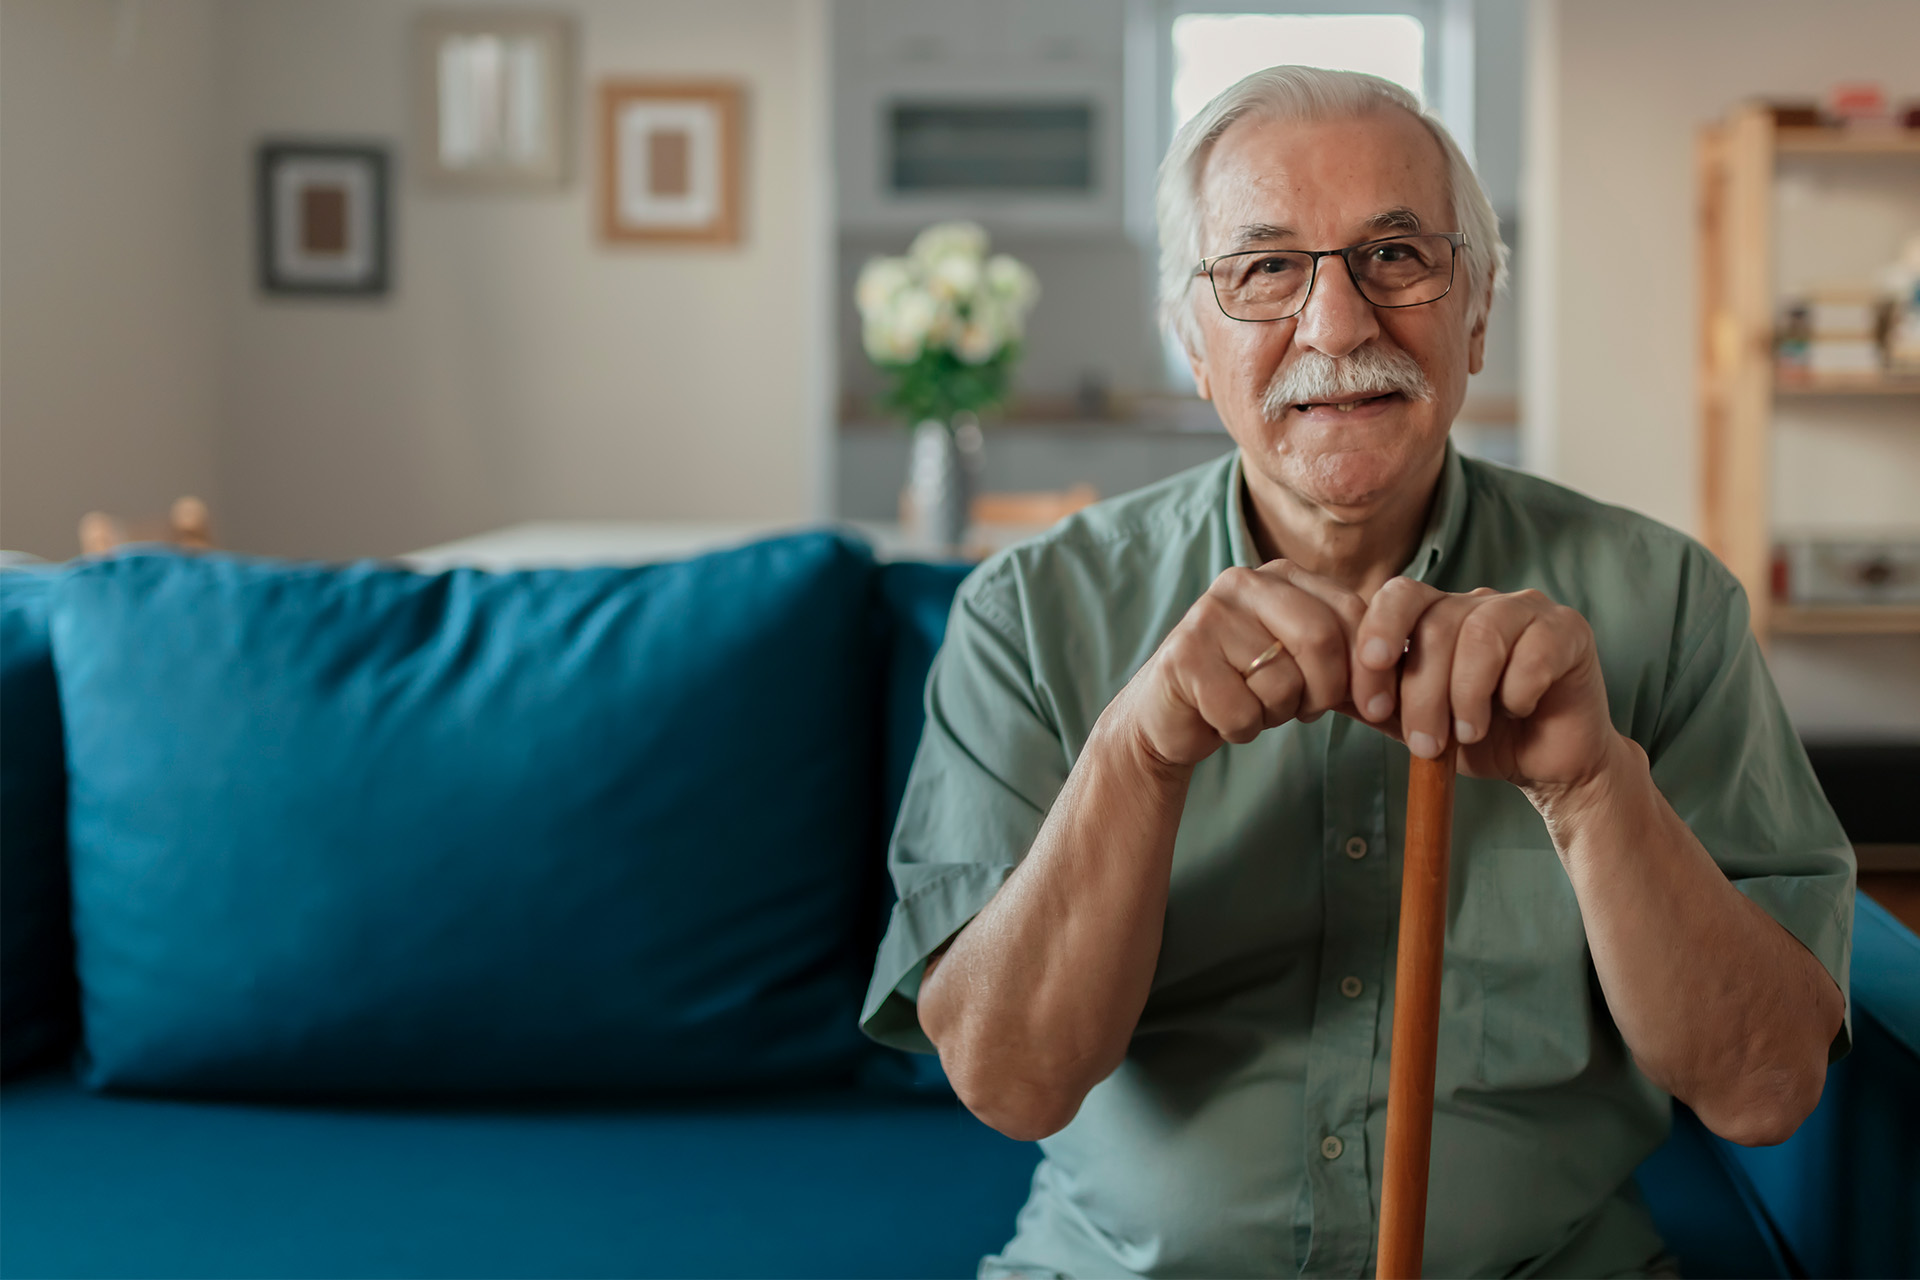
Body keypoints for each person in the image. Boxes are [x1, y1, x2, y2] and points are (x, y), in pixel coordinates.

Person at [858, 67, 1852, 1279]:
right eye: (1266, 267)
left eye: (1398, 254)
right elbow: (1011, 1082)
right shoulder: (1027, 613)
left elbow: (1767, 1087)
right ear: (1191, 337)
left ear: (1478, 312)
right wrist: (1133, 755)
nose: (1337, 325)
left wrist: (1598, 791)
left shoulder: (1671, 607)